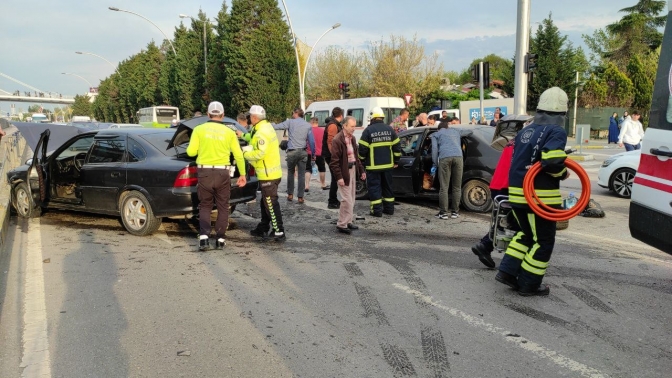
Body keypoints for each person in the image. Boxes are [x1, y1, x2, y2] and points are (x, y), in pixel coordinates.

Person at [496, 87, 570, 297]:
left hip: (518, 194)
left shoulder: (526, 130)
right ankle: (529, 284)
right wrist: (563, 173)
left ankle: (508, 272)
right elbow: (552, 161)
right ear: (562, 112)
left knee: (525, 234)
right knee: (544, 241)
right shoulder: (556, 131)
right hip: (540, 198)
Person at [186, 101, 247, 251]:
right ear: (222, 115)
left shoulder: (199, 130)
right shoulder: (229, 132)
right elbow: (239, 155)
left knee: (205, 205)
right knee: (223, 206)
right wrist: (243, 174)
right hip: (223, 173)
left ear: (208, 114)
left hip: (205, 172)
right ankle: (220, 239)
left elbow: (190, 153)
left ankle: (204, 238)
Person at [242, 105, 286, 242]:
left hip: (268, 174)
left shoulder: (261, 132)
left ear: (254, 117)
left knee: (270, 203)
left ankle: (279, 230)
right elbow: (253, 137)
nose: (249, 118)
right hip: (271, 173)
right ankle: (263, 227)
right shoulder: (264, 127)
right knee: (265, 202)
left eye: (249, 116)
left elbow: (260, 153)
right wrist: (242, 135)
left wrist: (245, 153)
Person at [359, 106, 402, 217]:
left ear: (372, 118)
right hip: (388, 166)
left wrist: (362, 161)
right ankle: (389, 209)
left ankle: (377, 211)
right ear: (382, 117)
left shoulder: (368, 131)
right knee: (387, 187)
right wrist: (396, 160)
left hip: (373, 167)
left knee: (374, 188)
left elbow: (362, 149)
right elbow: (397, 147)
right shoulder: (390, 129)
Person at [330, 116, 366, 234]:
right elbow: (334, 162)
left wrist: (361, 171)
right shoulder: (338, 140)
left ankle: (348, 221)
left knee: (352, 198)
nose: (354, 128)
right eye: (352, 126)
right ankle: (342, 224)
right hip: (344, 171)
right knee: (347, 199)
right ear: (344, 126)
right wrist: (339, 177)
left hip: (352, 169)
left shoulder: (352, 138)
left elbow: (356, 157)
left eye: (354, 126)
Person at [273, 108, 316, 204]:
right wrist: (313, 154)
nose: (292, 114)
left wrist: (269, 125)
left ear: (296, 113)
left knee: (291, 173)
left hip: (292, 152)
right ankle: (300, 197)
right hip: (303, 152)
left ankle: (290, 194)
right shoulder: (308, 125)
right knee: (301, 175)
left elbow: (277, 127)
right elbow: (311, 141)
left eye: (293, 112)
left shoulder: (290, 122)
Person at [431, 120, 465, 219]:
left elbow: (434, 151)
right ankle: (455, 212)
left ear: (439, 128)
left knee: (444, 187)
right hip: (458, 158)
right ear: (447, 127)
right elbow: (469, 131)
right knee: (457, 186)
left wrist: (434, 163)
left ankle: (443, 213)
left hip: (444, 158)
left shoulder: (436, 134)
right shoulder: (456, 132)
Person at [322, 107, 344, 209]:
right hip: (330, 155)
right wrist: (334, 155)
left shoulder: (334, 124)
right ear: (341, 115)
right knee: (335, 178)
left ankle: (333, 199)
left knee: (335, 178)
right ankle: (332, 201)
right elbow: (330, 141)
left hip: (330, 155)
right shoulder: (333, 125)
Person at [305, 117, 328, 192]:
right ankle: (323, 184)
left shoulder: (308, 131)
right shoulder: (322, 131)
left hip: (309, 152)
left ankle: (307, 185)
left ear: (311, 122)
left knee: (308, 169)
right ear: (317, 123)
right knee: (322, 169)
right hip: (320, 152)